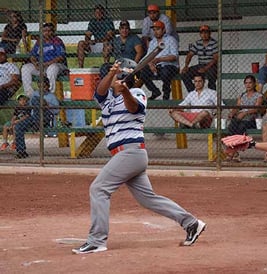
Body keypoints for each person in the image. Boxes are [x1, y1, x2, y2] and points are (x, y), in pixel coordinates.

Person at [72, 59, 205, 254]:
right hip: (124, 156)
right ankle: (191, 223)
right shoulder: (106, 98)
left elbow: (133, 108)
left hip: (131, 152)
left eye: (116, 76)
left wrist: (125, 90)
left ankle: (97, 240)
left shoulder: (137, 93)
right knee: (147, 199)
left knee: (99, 189)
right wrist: (111, 75)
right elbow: (99, 91)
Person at [14, 77, 60, 158]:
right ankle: (21, 151)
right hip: (33, 118)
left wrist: (47, 105)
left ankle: (36, 123)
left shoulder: (51, 96)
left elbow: (56, 111)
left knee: (36, 99)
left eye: (44, 87)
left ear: (48, 86)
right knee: (18, 126)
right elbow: (30, 108)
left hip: (45, 118)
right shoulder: (35, 94)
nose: (41, 89)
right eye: (39, 87)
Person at [21, 22, 67, 97]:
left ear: (53, 32)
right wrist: (35, 64)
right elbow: (32, 55)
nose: (47, 33)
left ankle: (49, 94)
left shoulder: (57, 41)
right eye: (44, 31)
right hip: (41, 66)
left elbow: (60, 57)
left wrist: (46, 64)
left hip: (57, 66)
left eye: (49, 31)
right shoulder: (39, 42)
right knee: (25, 68)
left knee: (52, 68)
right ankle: (30, 94)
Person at [226, 75, 263, 162]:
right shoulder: (242, 95)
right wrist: (232, 112)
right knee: (231, 126)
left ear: (254, 84)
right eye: (246, 83)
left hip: (252, 119)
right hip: (241, 118)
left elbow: (256, 109)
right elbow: (238, 106)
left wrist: (245, 113)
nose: (248, 85)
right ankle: (234, 152)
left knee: (240, 127)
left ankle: (233, 152)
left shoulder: (258, 95)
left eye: (250, 82)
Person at [140, 21, 179, 101]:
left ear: (164, 30)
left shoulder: (171, 39)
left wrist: (159, 59)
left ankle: (166, 93)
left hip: (170, 65)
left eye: (158, 29)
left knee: (165, 72)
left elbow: (174, 57)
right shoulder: (152, 42)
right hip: (156, 66)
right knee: (142, 73)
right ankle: (155, 91)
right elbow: (148, 57)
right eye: (154, 30)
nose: (155, 31)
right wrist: (150, 64)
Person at [181, 25, 218, 92]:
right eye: (202, 33)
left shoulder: (214, 43)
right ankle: (194, 93)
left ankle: (212, 94)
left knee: (212, 75)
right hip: (201, 65)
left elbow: (215, 59)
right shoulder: (197, 43)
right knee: (184, 73)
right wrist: (186, 66)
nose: (204, 35)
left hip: (211, 66)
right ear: (200, 34)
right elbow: (190, 55)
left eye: (206, 33)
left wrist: (205, 68)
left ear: (210, 33)